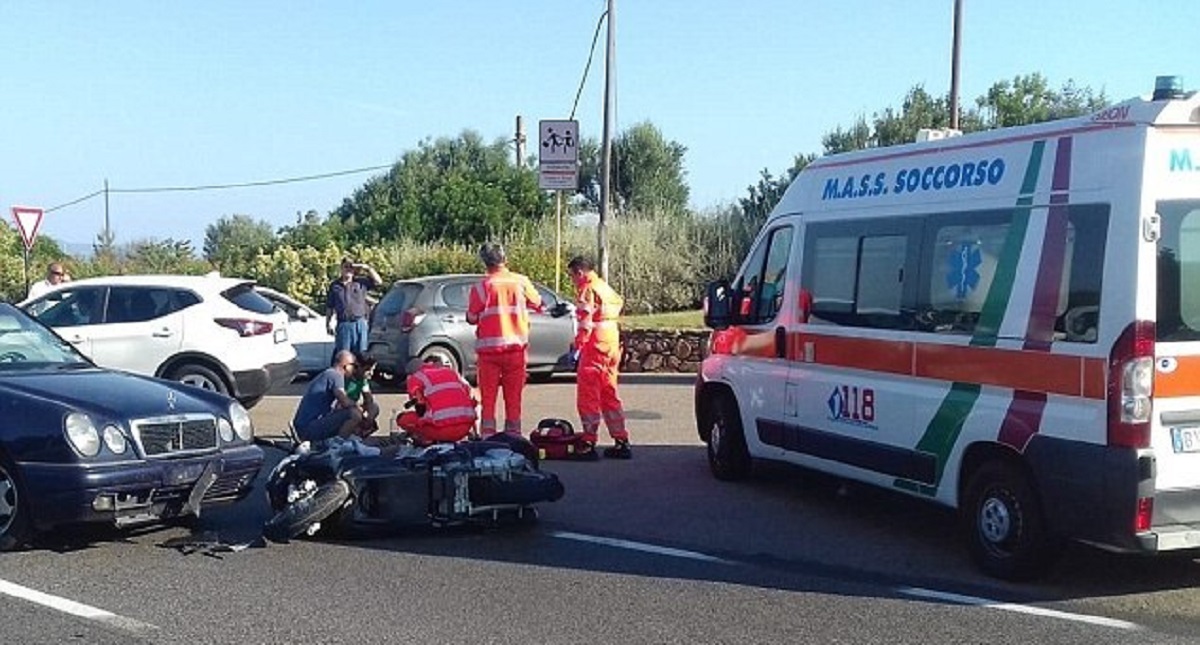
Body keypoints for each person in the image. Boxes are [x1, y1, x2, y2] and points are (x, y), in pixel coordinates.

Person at [465, 242, 542, 438]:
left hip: (488, 353)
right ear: (505, 259)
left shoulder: (481, 287)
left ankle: (488, 437)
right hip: (515, 350)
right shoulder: (521, 282)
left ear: (485, 263)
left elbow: (471, 317)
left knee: (488, 400)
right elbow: (537, 302)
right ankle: (513, 436)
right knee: (514, 399)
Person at [568, 255, 631, 459]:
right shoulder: (604, 287)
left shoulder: (588, 289)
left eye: (572, 276)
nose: (572, 281)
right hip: (611, 343)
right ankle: (621, 439)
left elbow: (585, 323)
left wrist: (577, 347)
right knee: (609, 392)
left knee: (588, 394)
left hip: (595, 345)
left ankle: (588, 442)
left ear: (580, 272)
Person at [396, 356, 477, 444]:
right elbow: (467, 393)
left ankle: (426, 439)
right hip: (465, 427)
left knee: (403, 419)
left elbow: (420, 408)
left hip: (441, 430)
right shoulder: (450, 372)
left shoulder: (416, 378)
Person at [292, 350, 368, 442]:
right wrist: (359, 407)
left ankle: (343, 439)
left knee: (347, 413)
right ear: (347, 366)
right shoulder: (336, 375)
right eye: (354, 366)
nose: (354, 370)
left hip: (303, 426)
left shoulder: (328, 374)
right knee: (354, 414)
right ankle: (337, 445)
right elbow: (345, 402)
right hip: (308, 428)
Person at [325, 257, 380, 359]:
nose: (348, 270)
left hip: (360, 323)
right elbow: (330, 306)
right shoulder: (335, 286)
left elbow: (378, 281)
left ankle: (359, 370)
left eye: (351, 267)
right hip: (344, 324)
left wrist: (366, 268)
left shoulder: (360, 282)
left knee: (361, 355)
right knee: (344, 355)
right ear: (341, 268)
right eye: (346, 267)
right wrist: (328, 324)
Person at [344, 352, 381, 435]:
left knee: (374, 407)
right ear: (358, 367)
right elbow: (341, 402)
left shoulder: (363, 380)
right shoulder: (346, 378)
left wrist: (368, 418)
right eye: (368, 370)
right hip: (342, 409)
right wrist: (358, 408)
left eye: (373, 370)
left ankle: (360, 431)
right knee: (355, 414)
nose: (371, 373)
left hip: (353, 408)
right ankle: (342, 437)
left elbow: (368, 398)